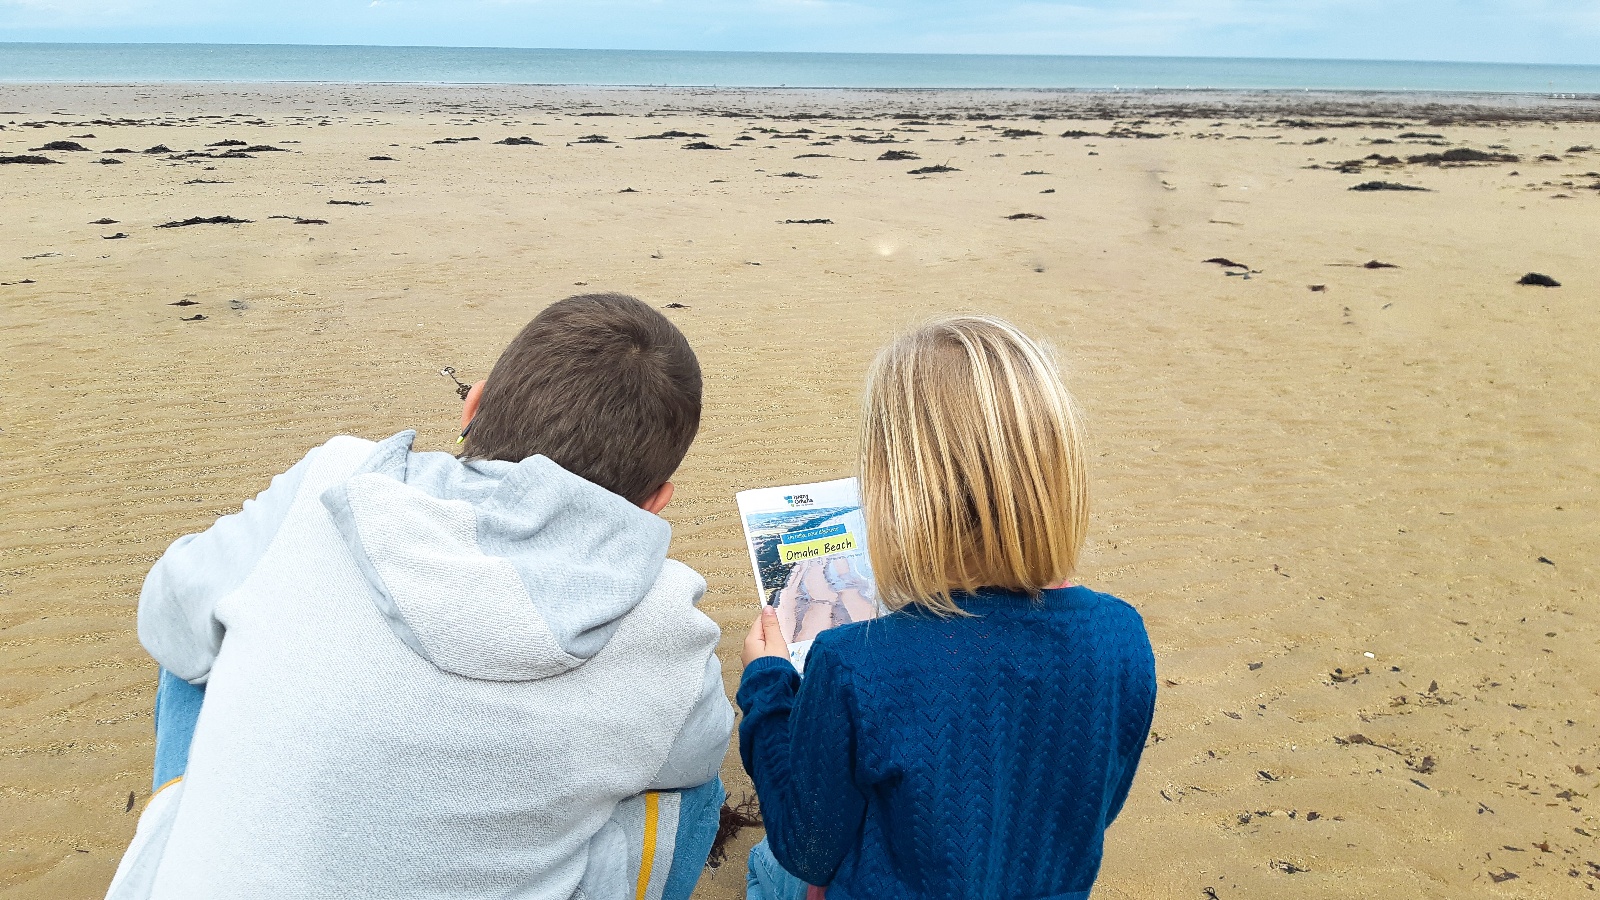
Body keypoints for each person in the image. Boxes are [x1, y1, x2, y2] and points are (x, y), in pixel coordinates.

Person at [108, 293, 733, 900]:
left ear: (474, 408)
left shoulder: (335, 482)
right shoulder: (666, 624)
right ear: (655, 503)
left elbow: (164, 615)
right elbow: (696, 754)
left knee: (204, 619)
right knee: (694, 786)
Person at [737, 315, 1158, 900]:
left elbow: (808, 846)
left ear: (893, 497)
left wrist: (767, 688)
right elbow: (1093, 809)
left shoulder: (851, 663)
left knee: (767, 867)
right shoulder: (1121, 636)